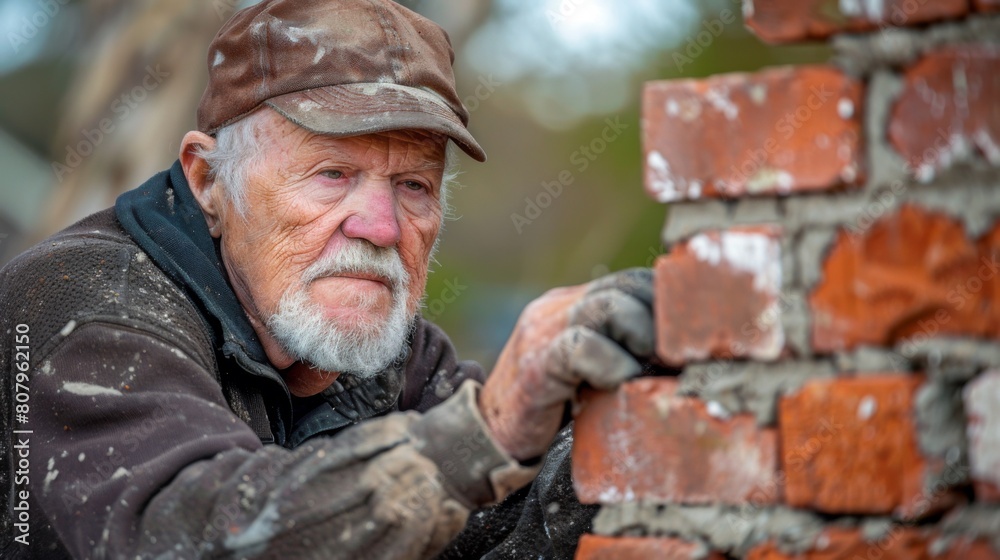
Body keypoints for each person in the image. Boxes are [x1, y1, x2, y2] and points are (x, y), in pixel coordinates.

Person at [0, 1, 655, 558]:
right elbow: (197, 531)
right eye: (332, 174)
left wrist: (658, 419)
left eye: (413, 185)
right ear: (208, 180)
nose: (380, 226)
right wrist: (488, 431)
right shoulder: (82, 304)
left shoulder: (385, 351)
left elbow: (506, 523)